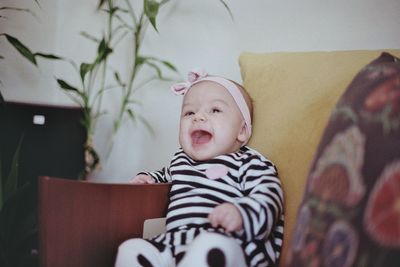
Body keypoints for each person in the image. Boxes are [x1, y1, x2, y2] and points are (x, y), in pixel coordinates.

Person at [115, 70, 284, 267]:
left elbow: (270, 196)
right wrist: (147, 178)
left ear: (242, 130)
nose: (199, 117)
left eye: (215, 110)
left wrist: (242, 213)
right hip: (177, 243)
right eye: (189, 112)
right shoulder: (180, 160)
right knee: (132, 249)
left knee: (210, 246)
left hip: (232, 244)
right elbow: (163, 175)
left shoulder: (250, 163)